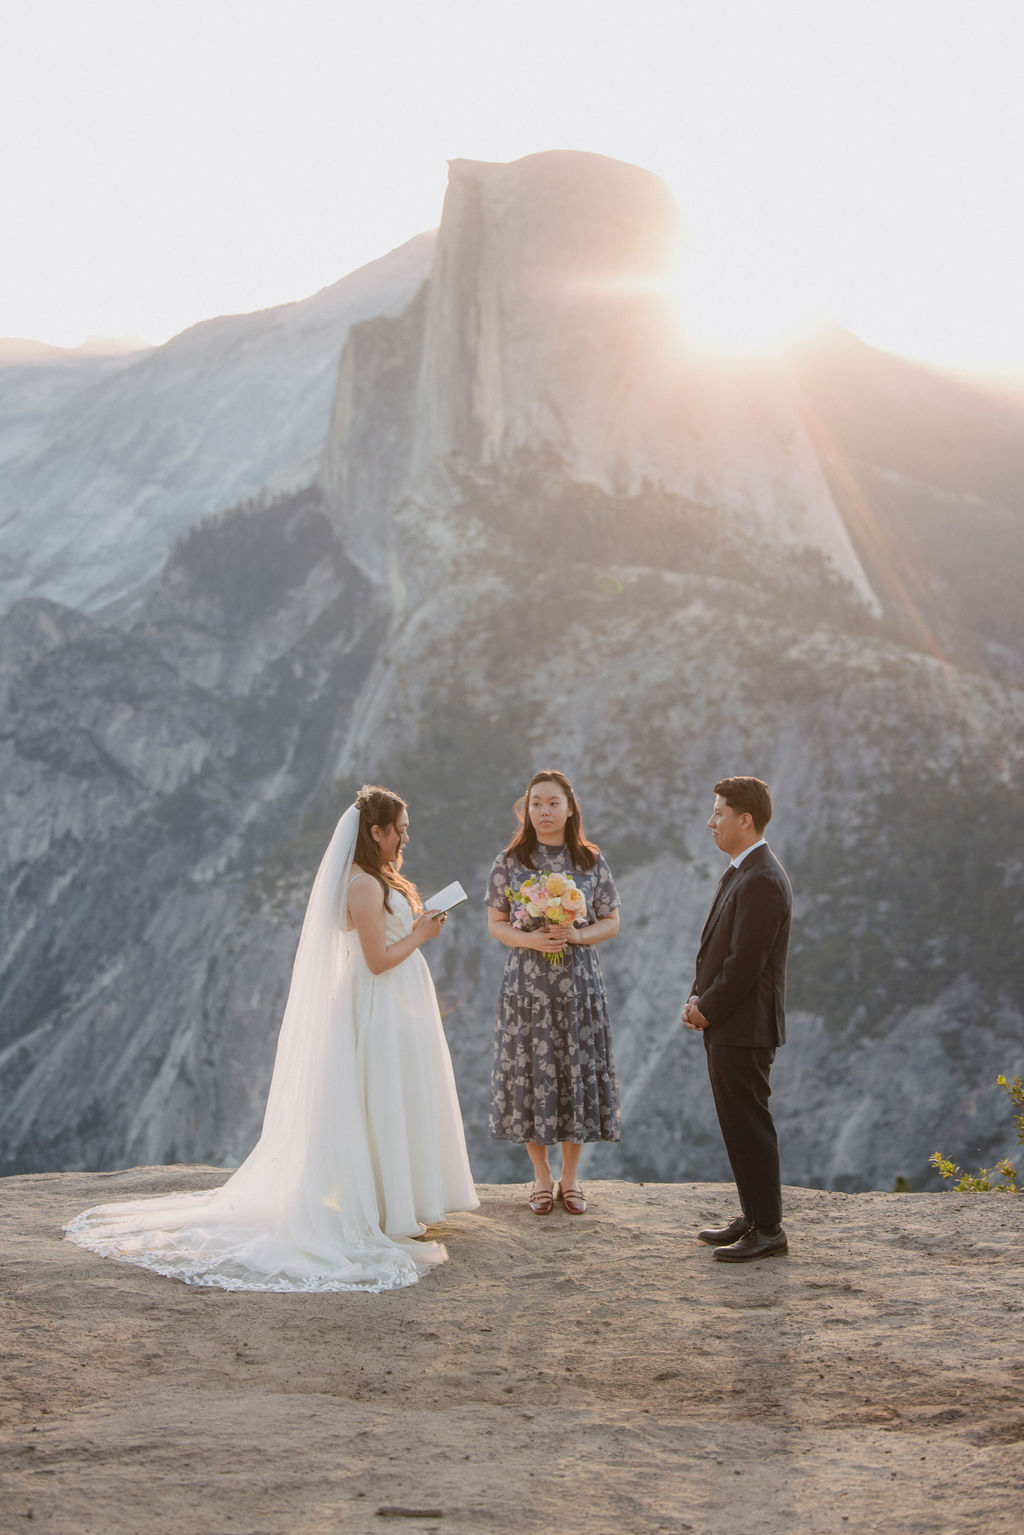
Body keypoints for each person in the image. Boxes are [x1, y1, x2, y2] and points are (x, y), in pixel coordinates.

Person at [65, 785, 478, 1291]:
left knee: (392, 1097)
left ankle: (394, 1201)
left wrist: (412, 927)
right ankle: (383, 1208)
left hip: (393, 1002)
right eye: (401, 829)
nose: (406, 837)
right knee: (381, 1097)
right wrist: (420, 935)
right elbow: (375, 961)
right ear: (376, 831)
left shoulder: (372, 879)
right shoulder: (363, 885)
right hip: (378, 1001)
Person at [486, 769, 621, 1216]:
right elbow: (497, 925)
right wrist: (534, 939)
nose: (543, 811)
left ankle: (570, 1178)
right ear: (526, 808)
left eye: (552, 803)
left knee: (573, 1073)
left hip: (577, 985)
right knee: (530, 1073)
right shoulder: (510, 861)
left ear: (569, 808)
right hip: (527, 986)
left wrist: (576, 936)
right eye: (535, 803)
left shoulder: (590, 861)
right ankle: (541, 1177)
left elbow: (611, 921)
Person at [683, 776, 792, 1262]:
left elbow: (746, 963)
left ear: (744, 820)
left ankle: (769, 1230)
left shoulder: (763, 879)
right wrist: (697, 996)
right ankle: (753, 1216)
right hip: (731, 1023)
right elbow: (720, 950)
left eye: (719, 813)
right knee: (737, 1122)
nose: (711, 822)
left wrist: (705, 1009)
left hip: (745, 1028)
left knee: (750, 1123)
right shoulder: (744, 871)